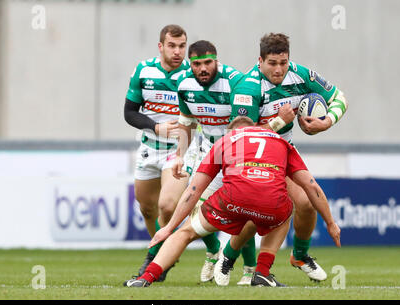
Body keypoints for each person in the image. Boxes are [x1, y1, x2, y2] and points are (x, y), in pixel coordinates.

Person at [124, 116, 341, 288]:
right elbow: (311, 186)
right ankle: (262, 273)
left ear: (231, 132)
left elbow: (194, 189)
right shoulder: (281, 142)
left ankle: (147, 277)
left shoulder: (225, 141)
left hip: (231, 201)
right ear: (255, 126)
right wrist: (331, 223)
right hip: (271, 206)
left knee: (185, 233)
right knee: (284, 208)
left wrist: (169, 228)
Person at [226, 32, 348, 282]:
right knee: (268, 210)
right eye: (272, 63)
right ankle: (228, 256)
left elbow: (339, 98)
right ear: (259, 60)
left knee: (305, 204)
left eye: (283, 62)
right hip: (252, 157)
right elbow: (239, 136)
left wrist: (326, 122)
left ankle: (300, 256)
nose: (279, 69)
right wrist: (279, 121)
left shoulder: (300, 74)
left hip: (284, 151)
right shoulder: (248, 87)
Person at [123, 25, 220, 281]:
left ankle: (155, 260)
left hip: (181, 151)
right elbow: (129, 113)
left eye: (181, 46)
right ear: (160, 47)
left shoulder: (194, 74)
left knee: (168, 206)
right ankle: (213, 247)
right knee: (146, 208)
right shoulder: (144, 71)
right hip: (148, 148)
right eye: (172, 46)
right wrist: (155, 126)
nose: (178, 52)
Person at [172, 40, 258, 285]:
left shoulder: (235, 82)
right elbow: (187, 121)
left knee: (243, 212)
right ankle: (213, 253)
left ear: (216, 60)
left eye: (208, 62)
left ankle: (250, 271)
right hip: (210, 151)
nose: (202, 68)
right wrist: (180, 155)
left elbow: (247, 122)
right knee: (194, 210)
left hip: (238, 151)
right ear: (190, 64)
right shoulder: (184, 84)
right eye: (196, 63)